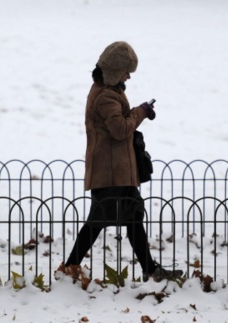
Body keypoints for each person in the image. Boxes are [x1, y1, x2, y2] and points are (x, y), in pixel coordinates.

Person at [63, 41, 183, 282]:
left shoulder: (106, 90)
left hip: (116, 172)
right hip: (111, 174)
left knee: (131, 218)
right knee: (98, 222)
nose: (129, 77)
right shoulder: (106, 96)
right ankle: (70, 267)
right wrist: (141, 112)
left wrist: (139, 110)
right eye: (127, 71)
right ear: (116, 71)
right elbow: (120, 130)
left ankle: (150, 269)